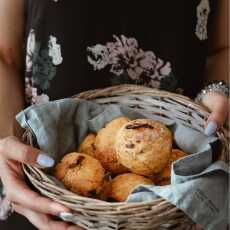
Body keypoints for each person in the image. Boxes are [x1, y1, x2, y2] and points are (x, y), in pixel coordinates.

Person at [0, 0, 229, 229]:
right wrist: (7, 143)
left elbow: (223, 47)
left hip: (182, 196)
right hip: (43, 191)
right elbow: (4, 55)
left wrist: (219, 90)